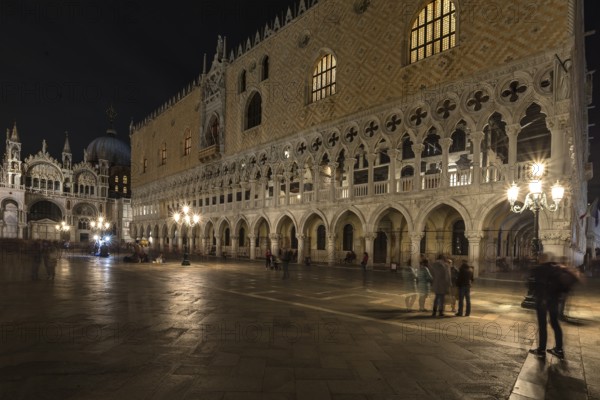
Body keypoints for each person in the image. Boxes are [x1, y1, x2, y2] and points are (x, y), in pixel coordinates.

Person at [528, 253, 567, 360]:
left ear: (541, 259)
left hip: (542, 301)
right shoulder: (557, 270)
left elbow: (531, 285)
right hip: (554, 301)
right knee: (555, 324)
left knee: (542, 325)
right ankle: (559, 349)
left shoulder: (538, 269)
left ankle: (541, 350)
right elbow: (563, 287)